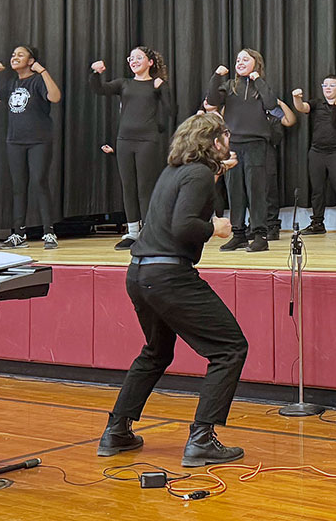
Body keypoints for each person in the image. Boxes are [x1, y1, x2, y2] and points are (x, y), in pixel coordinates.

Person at [96, 112, 247, 468]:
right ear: (215, 141)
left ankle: (116, 431)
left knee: (156, 352)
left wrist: (219, 170)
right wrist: (215, 228)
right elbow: (184, 226)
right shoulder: (198, 174)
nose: (230, 140)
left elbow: (188, 195)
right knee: (230, 348)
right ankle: (202, 440)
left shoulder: (175, 171)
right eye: (226, 135)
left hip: (139, 274)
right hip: (169, 276)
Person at [205, 49, 296, 253]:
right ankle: (238, 234)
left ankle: (260, 236)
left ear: (256, 63)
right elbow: (212, 100)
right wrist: (216, 76)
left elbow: (271, 104)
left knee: (256, 191)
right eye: (238, 59)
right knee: (234, 191)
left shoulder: (260, 87)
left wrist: (258, 80)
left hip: (256, 145)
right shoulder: (229, 86)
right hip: (233, 145)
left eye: (245, 59)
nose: (240, 62)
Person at [90, 47, 172, 250]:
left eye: (138, 57)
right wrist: (95, 73)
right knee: (128, 187)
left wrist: (163, 88)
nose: (134, 61)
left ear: (150, 62)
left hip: (147, 141)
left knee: (145, 187)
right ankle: (133, 232)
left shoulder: (156, 84)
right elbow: (99, 89)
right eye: (131, 58)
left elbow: (170, 110)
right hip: (125, 140)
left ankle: (149, 232)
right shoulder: (124, 83)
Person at [0, 45, 62, 249]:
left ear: (30, 61)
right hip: (15, 141)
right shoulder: (12, 83)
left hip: (39, 140)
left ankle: (49, 233)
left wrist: (42, 71)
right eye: (13, 54)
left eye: (20, 55)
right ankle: (18, 234)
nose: (15, 57)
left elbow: (55, 97)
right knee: (19, 187)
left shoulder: (37, 80)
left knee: (39, 182)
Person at [292, 76, 336, 239]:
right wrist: (296, 98)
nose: (328, 88)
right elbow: (302, 108)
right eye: (325, 85)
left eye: (332, 85)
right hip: (317, 152)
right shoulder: (317, 104)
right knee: (317, 190)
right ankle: (317, 223)